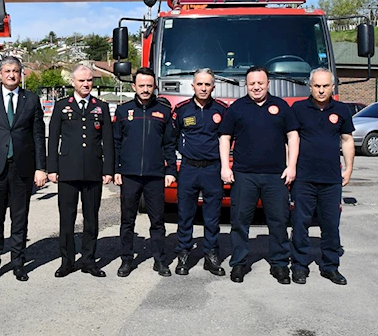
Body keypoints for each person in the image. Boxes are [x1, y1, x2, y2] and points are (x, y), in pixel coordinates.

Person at [219, 66, 299, 284]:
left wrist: (291, 166)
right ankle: (238, 264)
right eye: (252, 83)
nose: (256, 87)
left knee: (279, 221)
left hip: (276, 176)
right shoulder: (237, 108)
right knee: (239, 221)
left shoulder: (281, 106)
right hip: (244, 175)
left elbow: (293, 136)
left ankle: (280, 265)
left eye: (260, 83)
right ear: (247, 85)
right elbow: (225, 137)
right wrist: (225, 167)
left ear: (268, 84)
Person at [0, 57, 47, 282]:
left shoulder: (32, 100)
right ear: (0, 74)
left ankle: (18, 263)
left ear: (21, 73)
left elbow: (37, 136)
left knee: (19, 219)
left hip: (22, 169)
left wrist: (40, 168)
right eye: (7, 71)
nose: (11, 75)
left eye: (15, 71)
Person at [47, 65, 114, 278]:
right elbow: (53, 138)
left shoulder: (100, 106)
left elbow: (108, 141)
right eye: (82, 81)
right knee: (66, 219)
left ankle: (88, 260)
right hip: (67, 170)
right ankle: (67, 261)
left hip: (93, 170)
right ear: (73, 83)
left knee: (91, 218)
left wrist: (108, 169)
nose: (86, 84)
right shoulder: (61, 106)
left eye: (89, 80)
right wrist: (52, 168)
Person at [290, 68, 354, 285]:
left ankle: (330, 266)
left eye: (325, 86)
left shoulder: (342, 110)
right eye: (317, 86)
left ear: (333, 87)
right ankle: (299, 266)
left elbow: (346, 140)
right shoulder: (298, 108)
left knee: (330, 224)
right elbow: (291, 141)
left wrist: (348, 168)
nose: (321, 90)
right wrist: (290, 167)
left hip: (331, 179)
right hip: (304, 177)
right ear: (310, 87)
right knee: (300, 223)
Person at [113, 67, 177, 278]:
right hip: (129, 175)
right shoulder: (123, 111)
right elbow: (116, 143)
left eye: (149, 85)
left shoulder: (164, 112)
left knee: (157, 221)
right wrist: (116, 170)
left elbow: (169, 144)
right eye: (142, 85)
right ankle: (126, 260)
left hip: (155, 175)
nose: (146, 89)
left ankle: (159, 260)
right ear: (134, 87)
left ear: (154, 86)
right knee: (127, 220)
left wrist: (170, 171)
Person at [172, 68, 227, 276]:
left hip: (212, 169)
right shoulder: (182, 109)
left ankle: (211, 256)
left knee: (212, 216)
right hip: (189, 168)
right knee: (185, 214)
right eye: (200, 84)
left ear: (213, 87)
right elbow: (171, 138)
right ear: (193, 86)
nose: (203, 88)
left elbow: (228, 139)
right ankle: (183, 254)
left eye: (207, 84)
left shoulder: (221, 110)